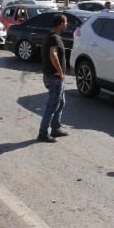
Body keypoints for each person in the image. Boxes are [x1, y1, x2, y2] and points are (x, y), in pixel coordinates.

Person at [38, 14, 70, 143]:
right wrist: (59, 71)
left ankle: (56, 128)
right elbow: (53, 54)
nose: (66, 25)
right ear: (61, 24)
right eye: (66, 23)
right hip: (55, 78)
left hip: (52, 77)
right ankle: (42, 133)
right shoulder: (54, 38)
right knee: (52, 106)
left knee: (60, 103)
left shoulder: (50, 36)